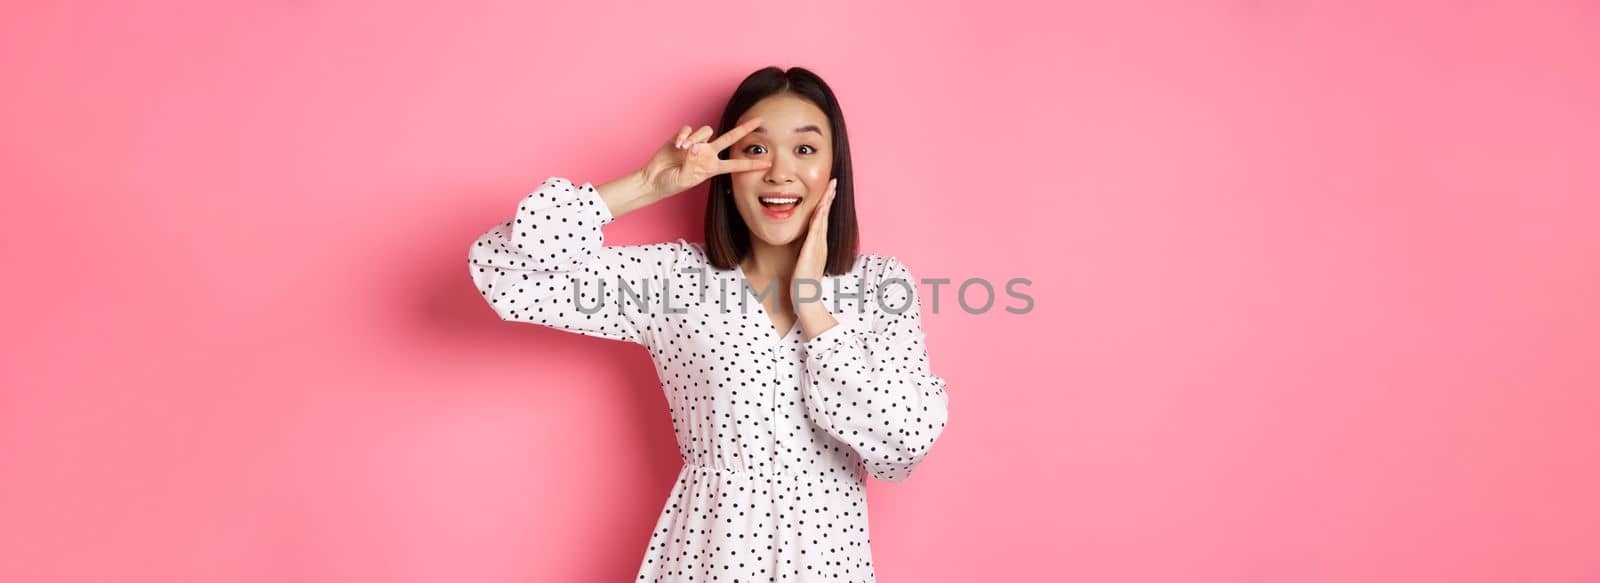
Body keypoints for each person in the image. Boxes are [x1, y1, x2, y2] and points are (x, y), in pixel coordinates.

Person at [467, 66, 950, 581]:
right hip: (708, 559)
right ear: (726, 168)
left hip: (827, 563)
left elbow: (906, 441)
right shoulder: (674, 281)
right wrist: (647, 185)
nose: (779, 173)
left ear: (835, 168)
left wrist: (813, 308)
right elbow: (505, 272)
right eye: (757, 149)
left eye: (805, 150)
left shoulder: (878, 286)